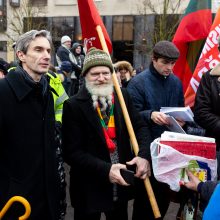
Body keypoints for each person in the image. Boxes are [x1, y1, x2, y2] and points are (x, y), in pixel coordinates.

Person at [62, 47, 152, 220]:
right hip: (89, 186)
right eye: (95, 74)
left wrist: (143, 156)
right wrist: (107, 169)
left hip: (120, 183)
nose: (102, 78)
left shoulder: (122, 96)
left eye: (106, 73)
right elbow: (71, 153)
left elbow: (140, 127)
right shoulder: (73, 105)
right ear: (85, 76)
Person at [0, 30, 63, 219]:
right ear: (21, 55)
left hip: (46, 198)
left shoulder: (47, 93)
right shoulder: (3, 93)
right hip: (13, 201)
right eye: (38, 50)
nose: (46, 56)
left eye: (48, 50)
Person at [127, 40, 185, 219]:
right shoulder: (138, 83)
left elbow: (180, 109)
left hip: (170, 150)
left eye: (173, 63)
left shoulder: (176, 82)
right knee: (145, 203)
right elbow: (129, 115)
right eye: (165, 62)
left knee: (164, 198)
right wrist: (149, 114)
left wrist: (181, 121)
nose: (170, 67)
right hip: (147, 151)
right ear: (154, 59)